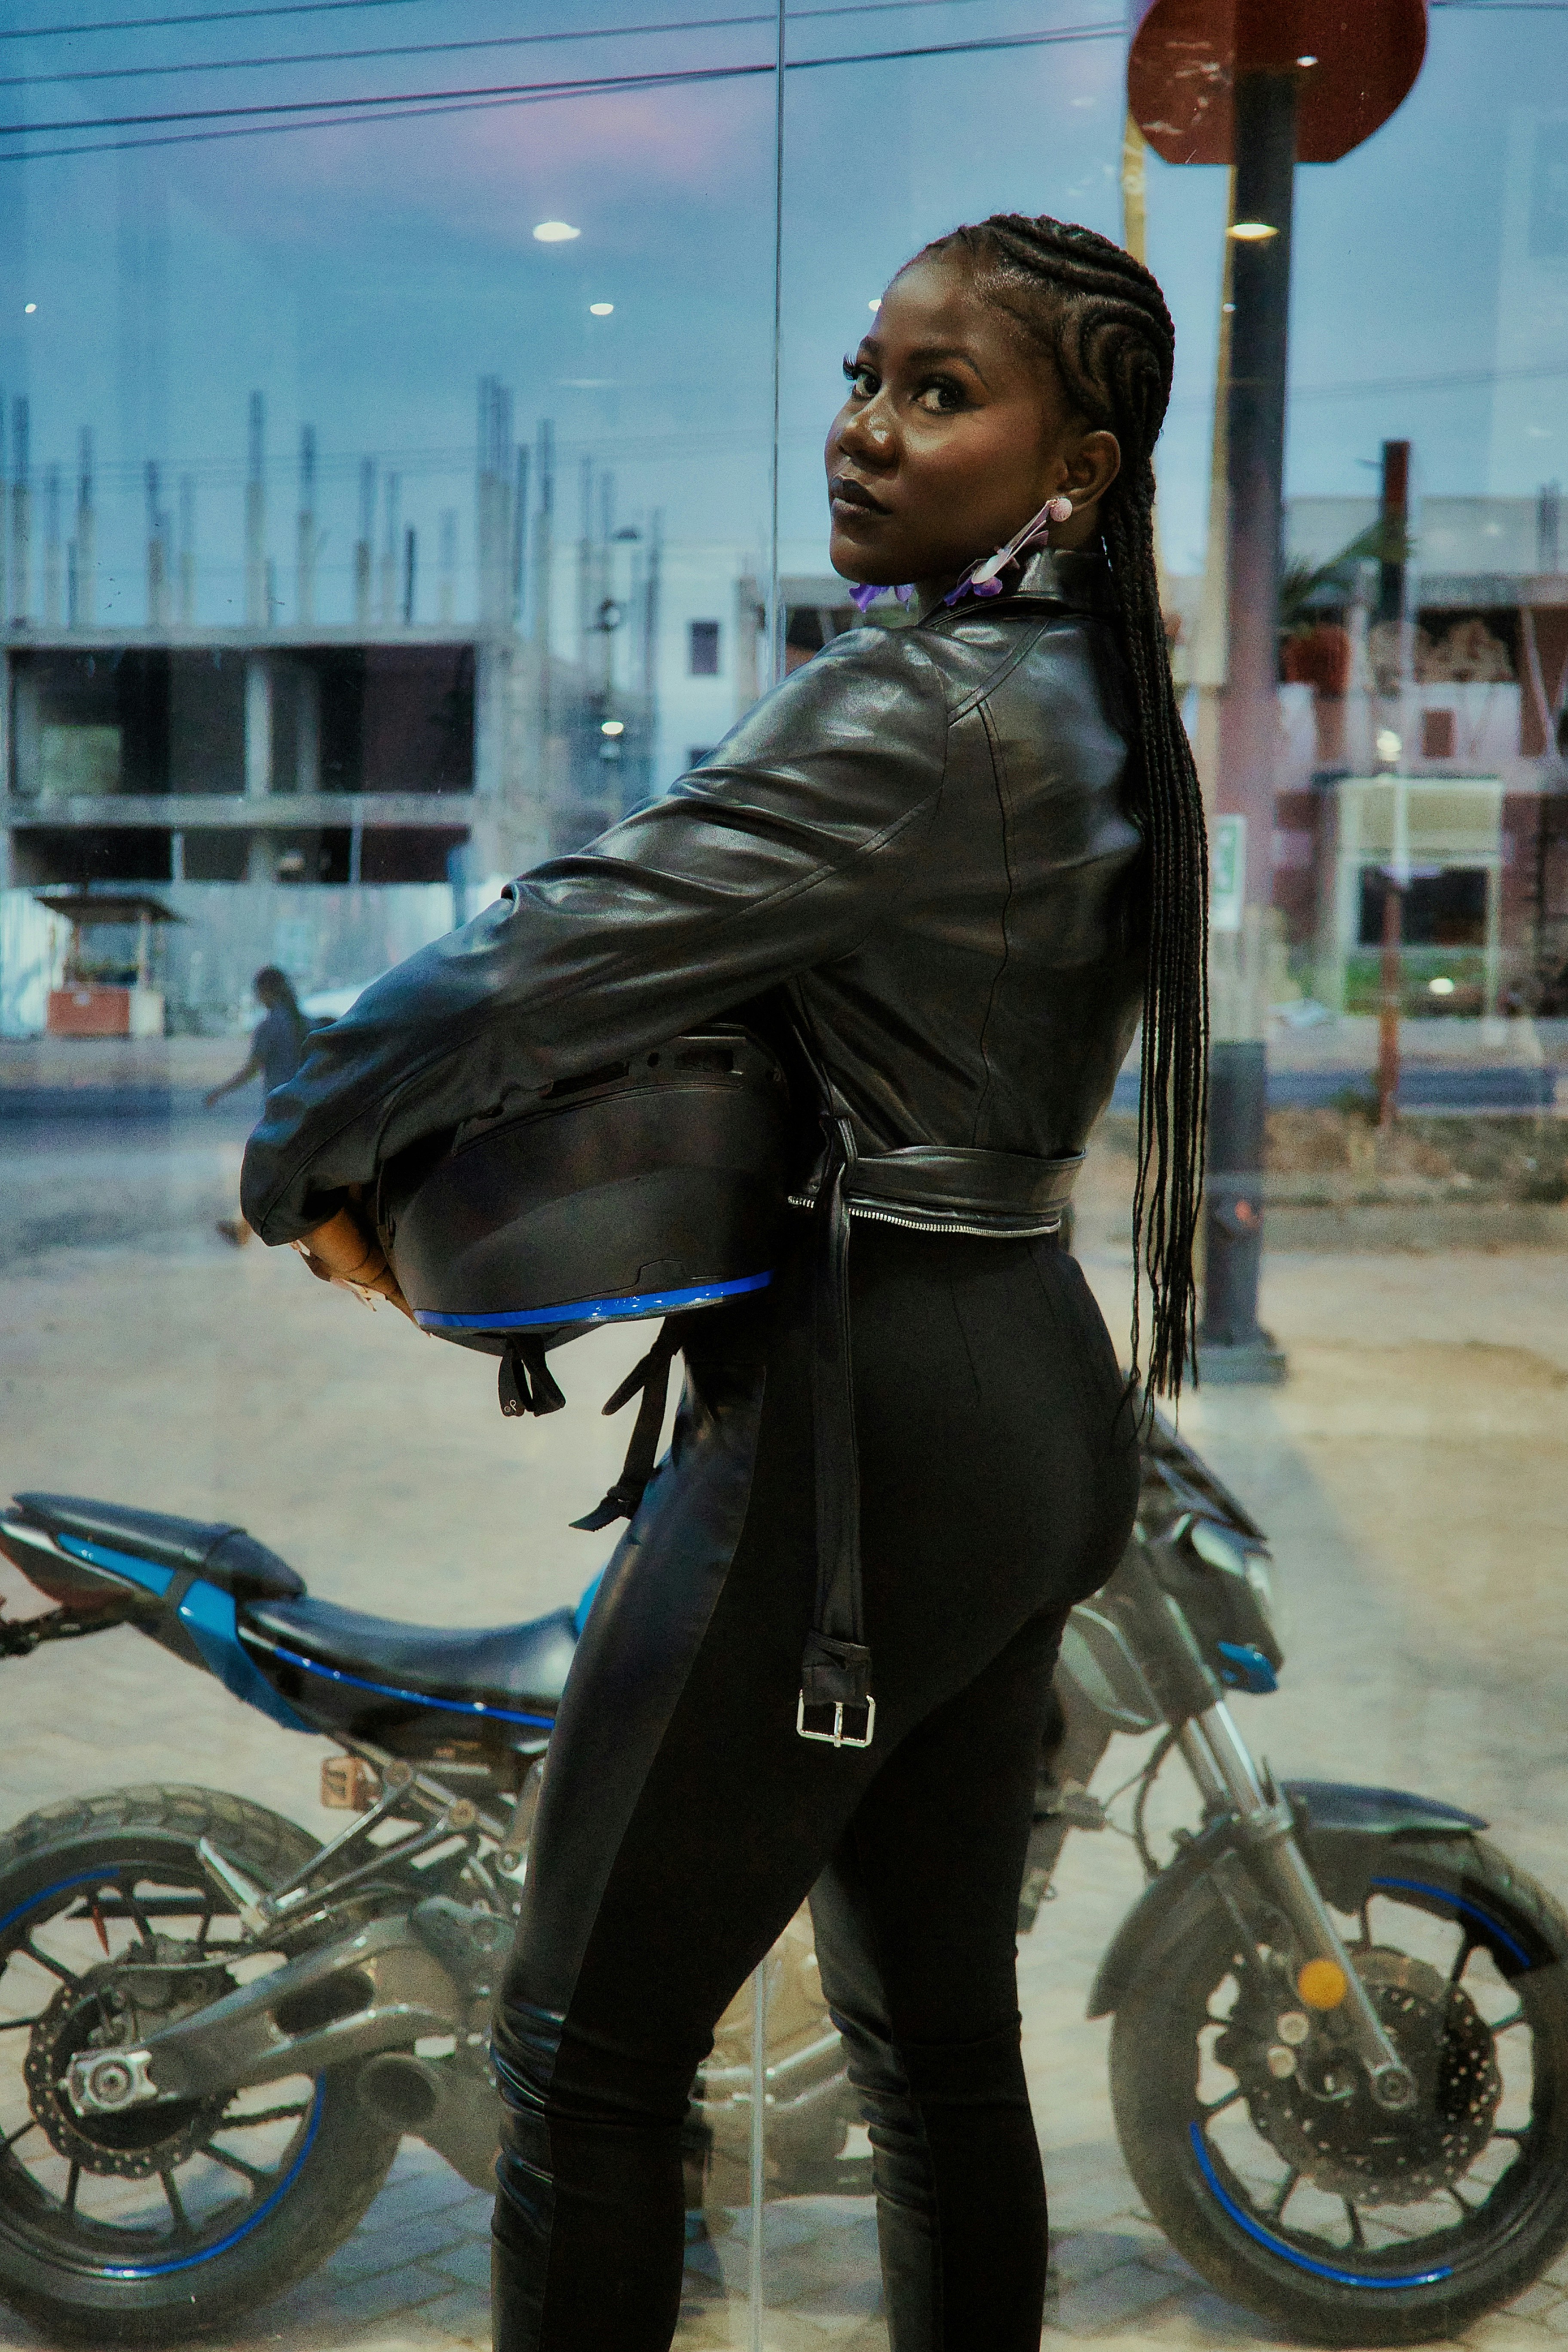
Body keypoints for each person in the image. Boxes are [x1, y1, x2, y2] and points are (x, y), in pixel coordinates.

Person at [240, 214, 1208, 2352]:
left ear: (1085, 461)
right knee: (936, 2035)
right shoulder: (1090, 695)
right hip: (1031, 1384)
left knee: (584, 2048)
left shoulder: (920, 703)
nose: (865, 430)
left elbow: (554, 940)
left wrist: (298, 1133)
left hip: (866, 1436)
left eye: (938, 391)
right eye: (864, 373)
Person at [205, 967, 311, 1245]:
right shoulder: (303, 1022)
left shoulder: (268, 1028)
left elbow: (251, 1070)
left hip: (279, 1113)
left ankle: (247, 1229)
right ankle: (244, 1227)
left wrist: (220, 1092)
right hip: (304, 1108)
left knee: (265, 1173)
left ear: (265, 993)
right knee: (275, 1173)